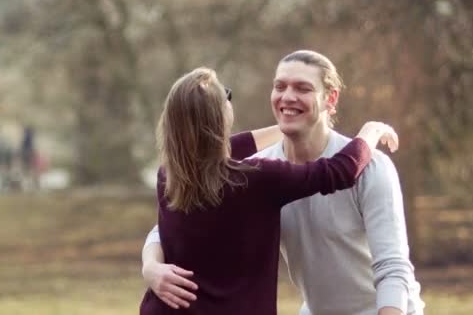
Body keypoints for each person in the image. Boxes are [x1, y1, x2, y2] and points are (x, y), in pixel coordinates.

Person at [142, 51, 425, 315]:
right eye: (280, 87)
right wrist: (151, 266)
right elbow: (172, 225)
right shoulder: (253, 174)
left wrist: (296, 119)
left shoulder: (373, 167)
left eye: (302, 89)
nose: (288, 96)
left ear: (331, 99)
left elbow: (393, 268)